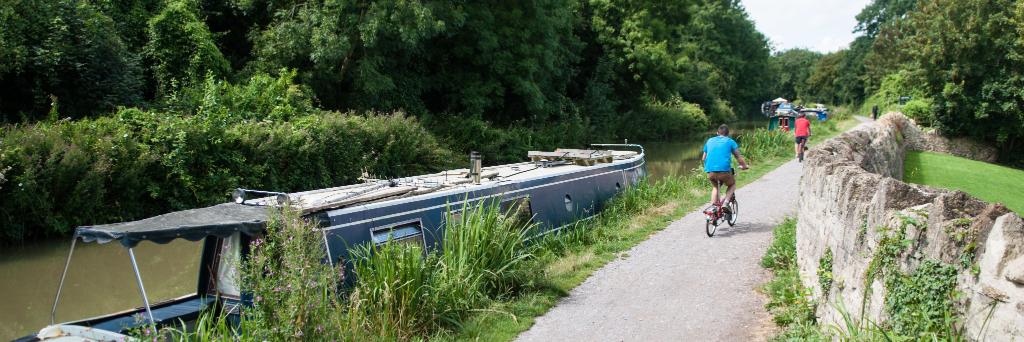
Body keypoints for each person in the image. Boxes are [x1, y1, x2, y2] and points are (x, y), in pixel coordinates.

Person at [701, 124, 749, 211]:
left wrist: (708, 167)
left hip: (710, 171)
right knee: (732, 185)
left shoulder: (709, 140)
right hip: (724, 171)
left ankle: (713, 207)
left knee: (716, 187)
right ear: (728, 134)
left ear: (717, 133)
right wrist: (744, 166)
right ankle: (726, 203)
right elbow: (738, 157)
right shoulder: (730, 141)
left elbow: (703, 158)